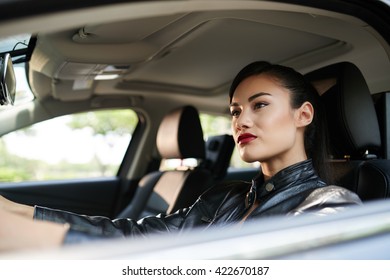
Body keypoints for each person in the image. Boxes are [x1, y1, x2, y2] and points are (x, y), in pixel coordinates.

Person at [0, 61, 362, 252]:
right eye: (235, 111)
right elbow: (138, 237)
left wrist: (47, 241)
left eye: (260, 105)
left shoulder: (330, 205)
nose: (241, 121)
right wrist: (18, 212)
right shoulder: (227, 196)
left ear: (304, 115)